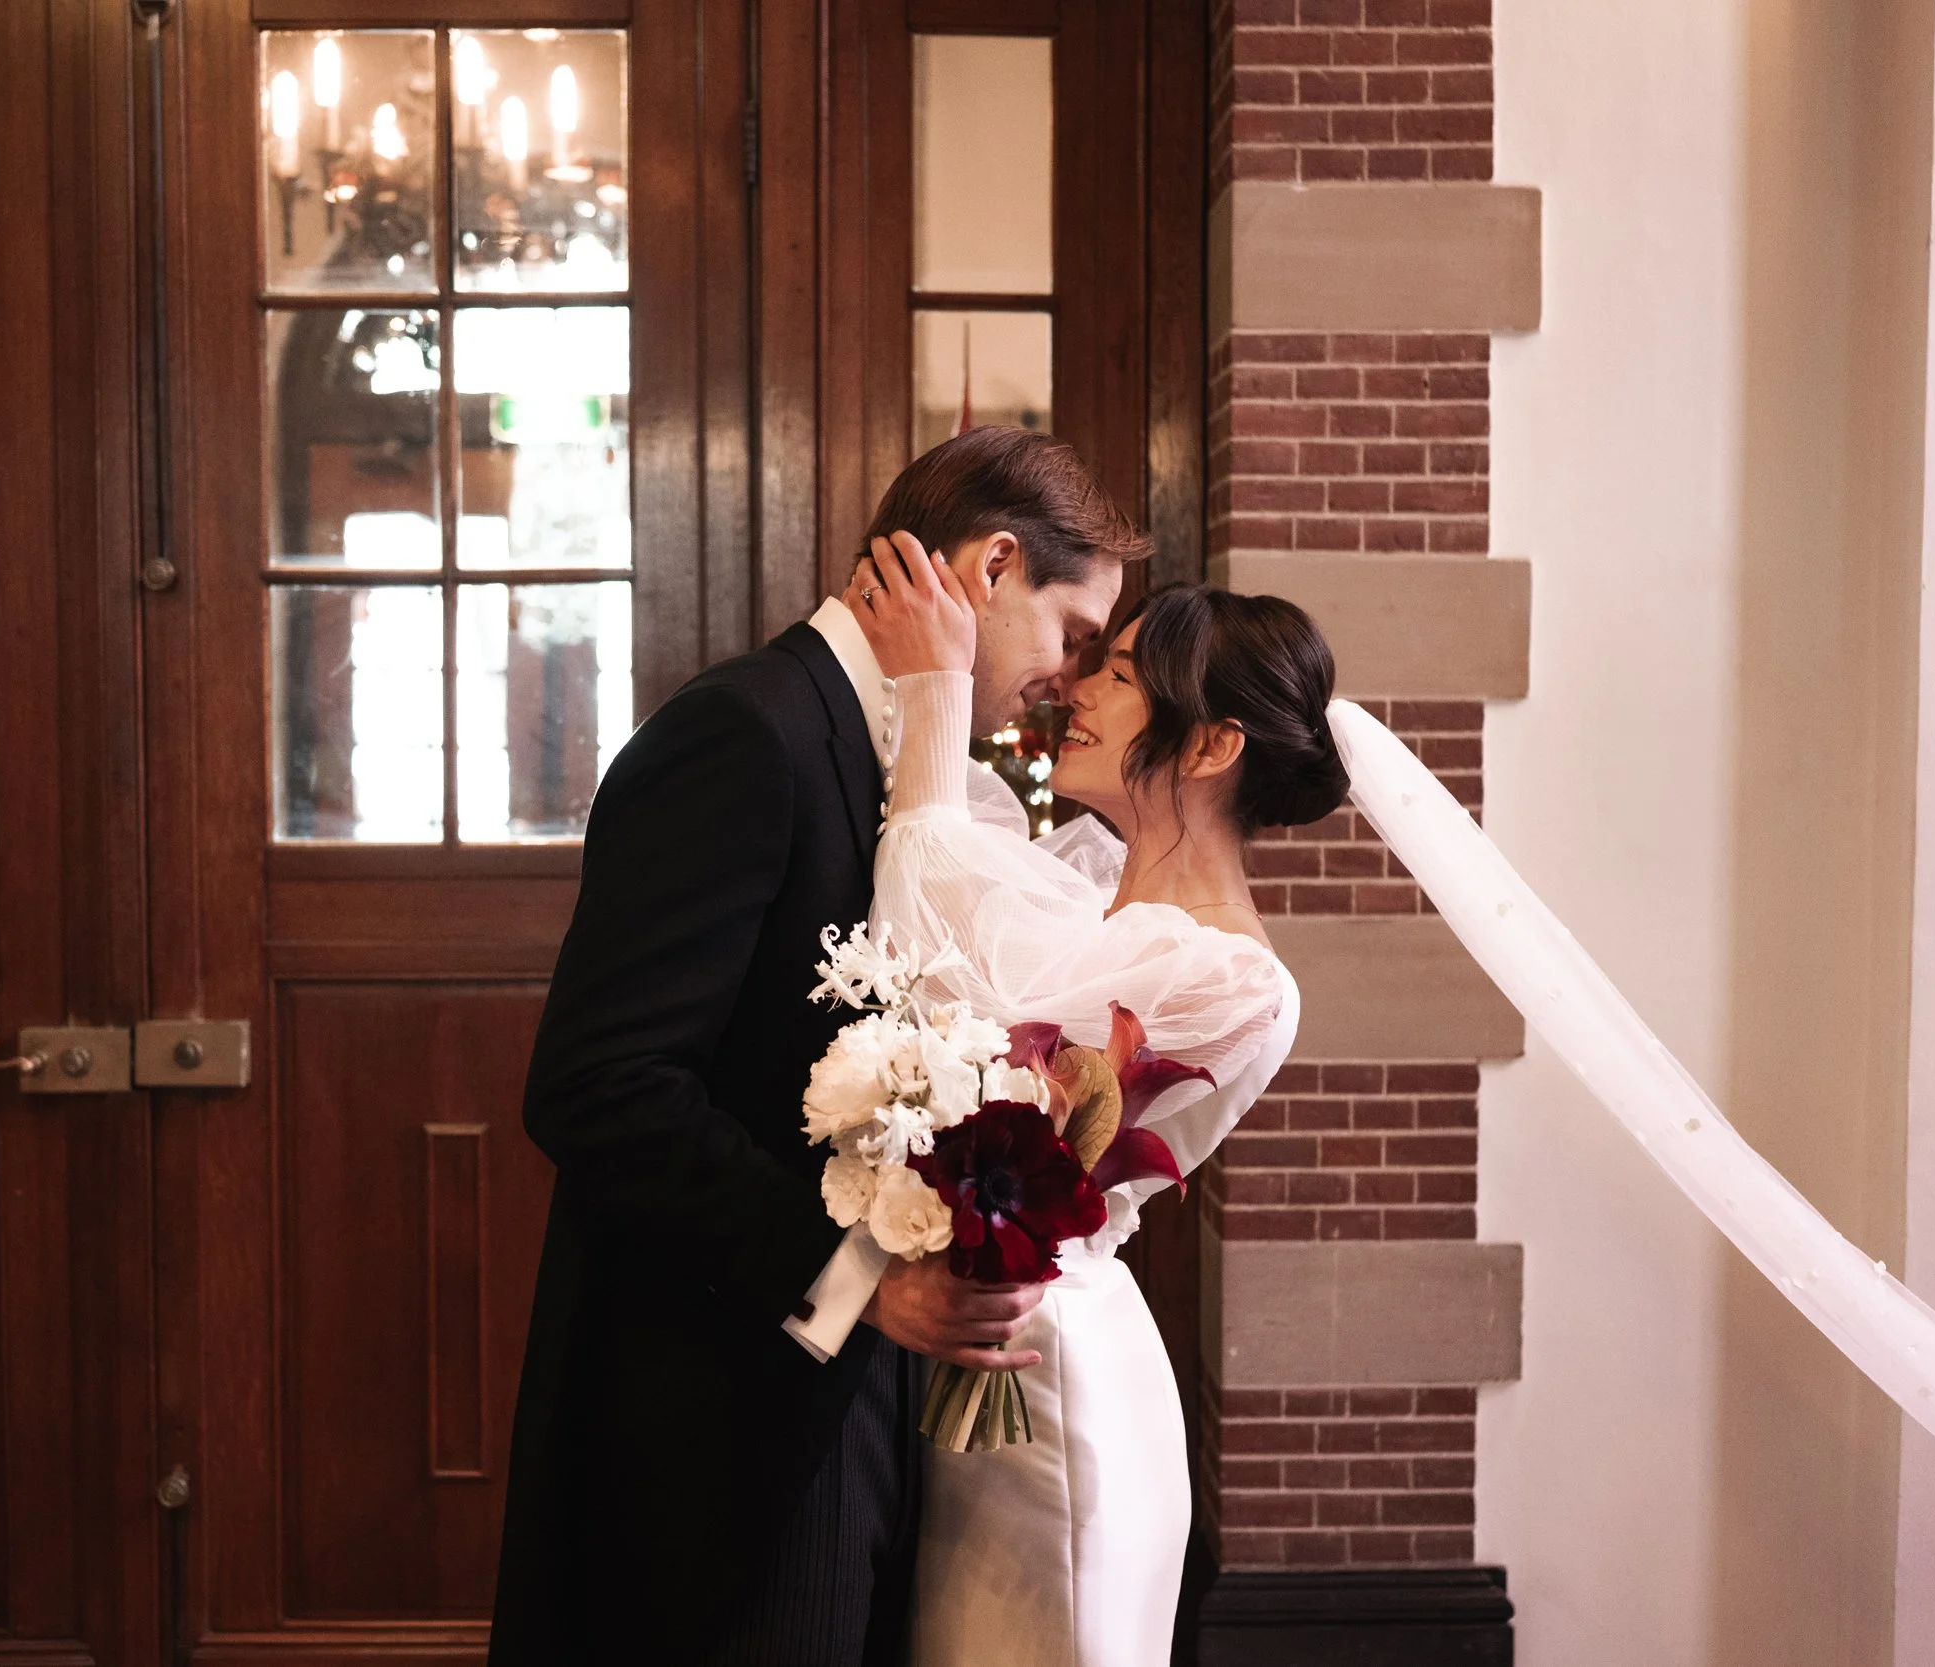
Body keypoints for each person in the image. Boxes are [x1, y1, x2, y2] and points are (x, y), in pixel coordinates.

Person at [491, 426, 1146, 1665]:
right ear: (994, 565)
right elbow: (598, 1087)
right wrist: (855, 1278)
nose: (1068, 677)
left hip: (835, 1395)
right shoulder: (746, 732)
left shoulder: (901, 757)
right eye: (1073, 633)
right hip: (713, 1409)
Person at [837, 535, 1349, 1666]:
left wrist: (933, 688)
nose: (1076, 688)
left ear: (1212, 742)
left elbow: (920, 937)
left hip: (1051, 1371)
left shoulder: (1229, 976)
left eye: (1121, 674)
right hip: (997, 1349)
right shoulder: (1074, 885)